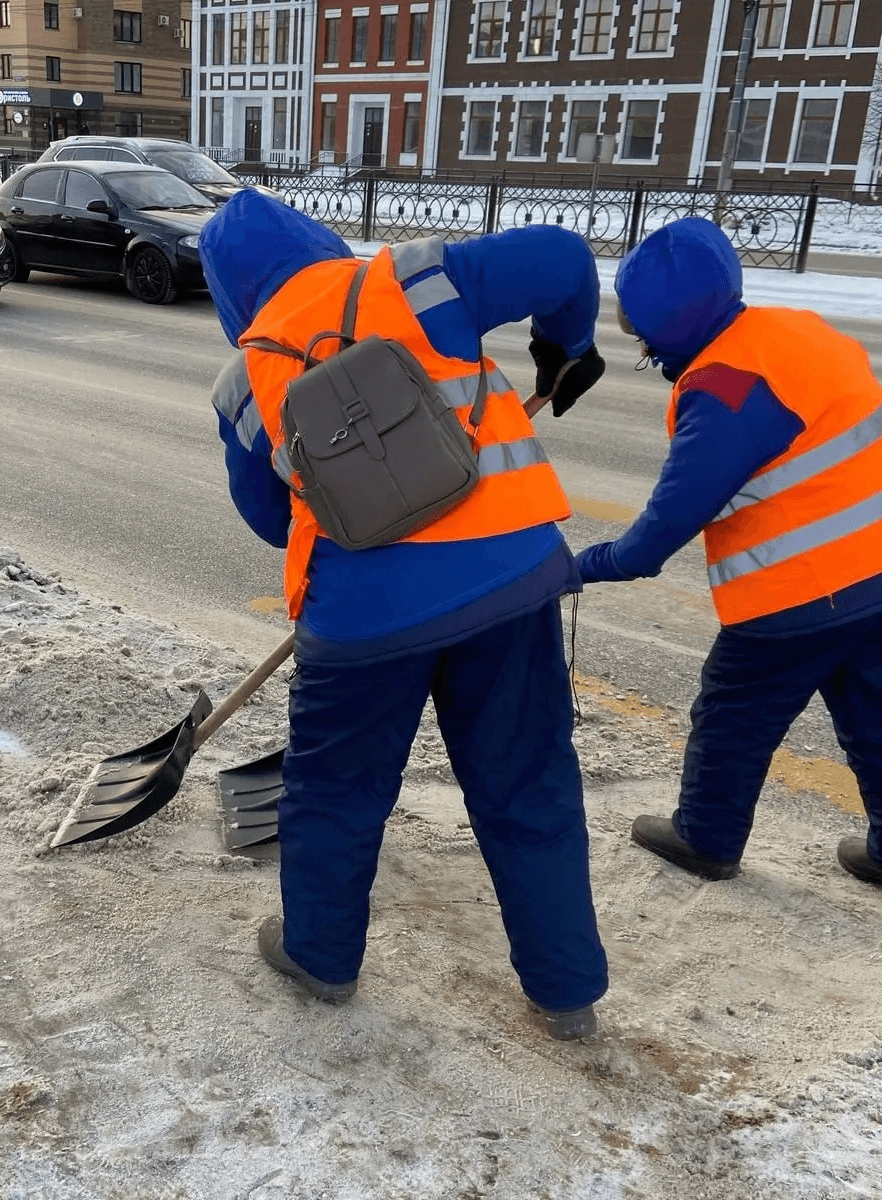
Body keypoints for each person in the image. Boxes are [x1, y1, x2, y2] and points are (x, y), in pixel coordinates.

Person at [199, 191, 609, 1040]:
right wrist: (563, 347)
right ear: (320, 239)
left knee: (336, 792)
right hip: (506, 582)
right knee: (527, 784)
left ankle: (320, 957)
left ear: (229, 297)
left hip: (361, 623)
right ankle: (566, 992)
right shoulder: (420, 278)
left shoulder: (244, 381)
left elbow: (272, 517)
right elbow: (567, 259)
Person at [575, 216, 882, 887]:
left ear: (661, 329)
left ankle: (706, 838)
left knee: (733, 715)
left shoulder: (726, 391)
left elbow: (658, 535)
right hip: (874, 571)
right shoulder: (796, 330)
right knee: (872, 713)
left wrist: (578, 568)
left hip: (797, 595)